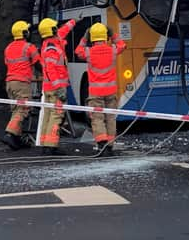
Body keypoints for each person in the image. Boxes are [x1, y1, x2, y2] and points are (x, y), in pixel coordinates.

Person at [75, 23, 127, 157]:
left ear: (93, 38)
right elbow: (123, 45)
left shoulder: (88, 52)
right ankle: (109, 146)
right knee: (110, 118)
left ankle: (101, 144)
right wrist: (113, 34)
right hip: (110, 92)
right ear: (105, 36)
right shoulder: (113, 50)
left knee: (97, 118)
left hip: (95, 93)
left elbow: (77, 51)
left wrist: (85, 38)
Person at [38, 17, 76, 155]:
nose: (57, 29)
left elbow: (63, 31)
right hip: (55, 88)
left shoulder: (50, 43)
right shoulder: (52, 48)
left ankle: (45, 144)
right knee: (56, 116)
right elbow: (50, 70)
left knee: (48, 115)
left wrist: (74, 21)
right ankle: (51, 145)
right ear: (52, 30)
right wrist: (59, 88)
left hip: (49, 88)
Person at [2, 20, 40, 150]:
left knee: (15, 110)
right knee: (23, 109)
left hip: (10, 83)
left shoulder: (8, 48)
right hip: (22, 83)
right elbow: (38, 64)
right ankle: (10, 133)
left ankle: (16, 140)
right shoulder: (29, 47)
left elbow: (8, 64)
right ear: (25, 33)